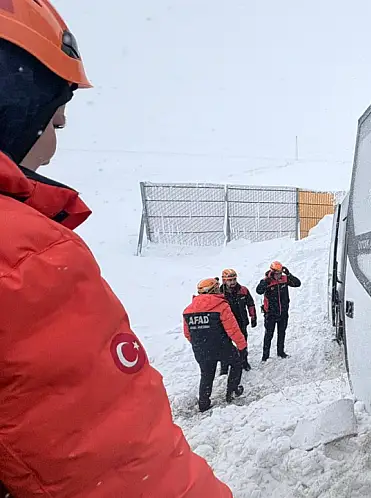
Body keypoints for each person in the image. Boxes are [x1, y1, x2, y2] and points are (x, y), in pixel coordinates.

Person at [0, 2, 232, 496]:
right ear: (12, 108)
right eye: (55, 121)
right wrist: (242, 344)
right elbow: (125, 469)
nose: (55, 142)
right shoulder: (25, 260)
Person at [183, 278, 248, 412]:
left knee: (206, 374)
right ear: (213, 290)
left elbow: (187, 334)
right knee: (236, 363)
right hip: (222, 347)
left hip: (201, 350)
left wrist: (199, 345)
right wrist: (242, 346)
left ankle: (203, 402)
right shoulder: (221, 306)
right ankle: (232, 391)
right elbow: (233, 330)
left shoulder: (188, 310)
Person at [256, 261, 301, 361]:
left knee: (282, 333)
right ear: (272, 272)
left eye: (280, 273)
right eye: (277, 274)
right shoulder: (266, 281)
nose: (279, 275)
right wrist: (265, 282)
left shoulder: (284, 279)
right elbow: (259, 291)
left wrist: (289, 274)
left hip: (283, 313)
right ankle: (265, 356)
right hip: (270, 314)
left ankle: (280, 352)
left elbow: (297, 283)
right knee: (269, 334)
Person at [219, 268, 256, 373]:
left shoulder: (243, 290)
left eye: (234, 279)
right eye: (230, 280)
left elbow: (250, 304)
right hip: (225, 324)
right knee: (225, 345)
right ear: (224, 281)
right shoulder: (219, 294)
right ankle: (224, 367)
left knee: (243, 343)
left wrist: (253, 317)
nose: (233, 282)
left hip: (241, 322)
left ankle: (244, 361)